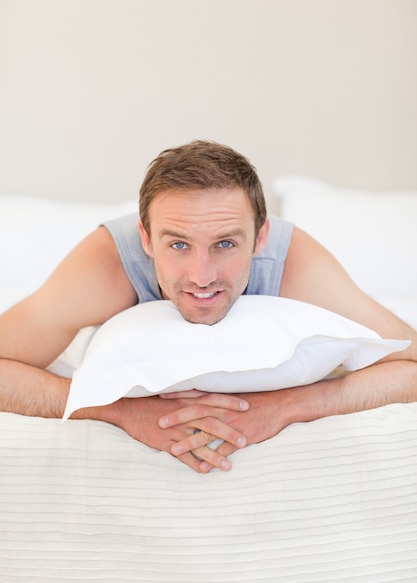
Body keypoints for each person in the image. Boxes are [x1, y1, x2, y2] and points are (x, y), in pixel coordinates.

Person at [1, 140, 416, 473]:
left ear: (260, 237)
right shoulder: (107, 263)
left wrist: (289, 405)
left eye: (225, 244)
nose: (202, 275)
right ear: (146, 239)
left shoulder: (296, 262)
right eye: (178, 244)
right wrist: (119, 411)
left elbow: (411, 363)